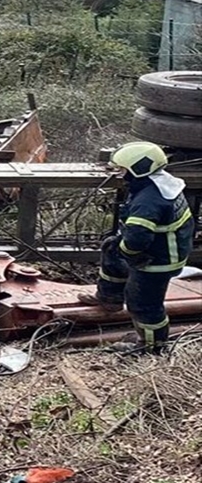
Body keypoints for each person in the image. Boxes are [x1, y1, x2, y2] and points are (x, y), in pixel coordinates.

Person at [78, 141, 195, 354]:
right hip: (159, 248)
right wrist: (120, 249)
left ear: (137, 169)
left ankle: (151, 346)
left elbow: (137, 239)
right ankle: (109, 297)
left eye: (122, 170)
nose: (119, 174)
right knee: (111, 249)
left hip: (157, 260)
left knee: (143, 304)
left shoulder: (148, 201)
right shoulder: (160, 183)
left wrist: (127, 253)